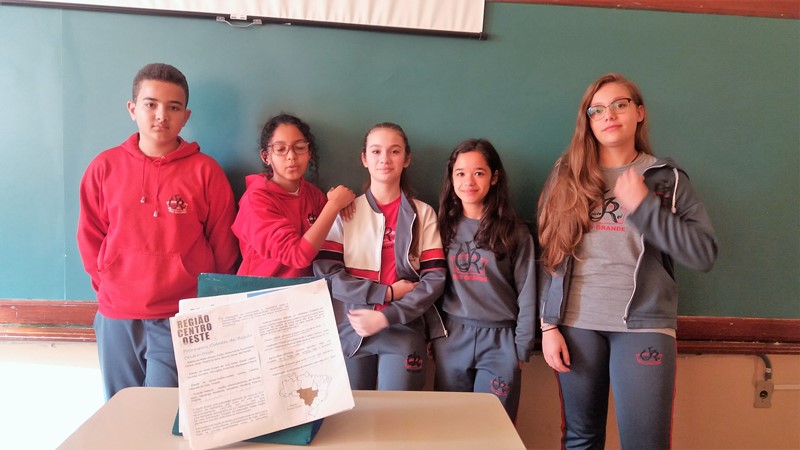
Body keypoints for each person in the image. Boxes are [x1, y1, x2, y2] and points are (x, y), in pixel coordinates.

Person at [537, 73, 718, 449]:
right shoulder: (567, 174)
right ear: (588, 121)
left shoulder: (666, 179)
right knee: (580, 439)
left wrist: (645, 208)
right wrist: (547, 324)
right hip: (576, 325)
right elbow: (550, 253)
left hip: (644, 326)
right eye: (597, 109)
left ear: (639, 112)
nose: (609, 115)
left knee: (645, 443)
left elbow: (702, 253)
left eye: (619, 104)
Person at [77, 63, 239, 400]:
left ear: (186, 116)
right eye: (150, 104)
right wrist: (110, 285)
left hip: (182, 316)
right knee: (121, 409)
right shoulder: (103, 167)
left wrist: (205, 304)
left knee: (167, 412)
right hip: (117, 314)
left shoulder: (206, 172)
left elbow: (224, 247)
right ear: (132, 109)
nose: (161, 116)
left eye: (173, 107)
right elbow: (89, 237)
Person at [313, 122, 447, 391]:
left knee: (399, 415)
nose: (384, 159)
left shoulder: (423, 213)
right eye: (376, 151)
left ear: (406, 159)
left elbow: (434, 280)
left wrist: (388, 315)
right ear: (364, 158)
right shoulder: (345, 211)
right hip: (352, 327)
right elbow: (328, 275)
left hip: (404, 327)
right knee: (353, 415)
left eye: (394, 151)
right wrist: (385, 293)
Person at [433, 139, 536, 421]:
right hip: (452, 336)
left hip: (501, 340)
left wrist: (522, 346)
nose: (468, 181)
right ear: (452, 178)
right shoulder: (441, 228)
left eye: (479, 172)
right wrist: (433, 333)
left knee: (493, 426)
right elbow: (429, 285)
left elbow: (528, 292)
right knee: (450, 425)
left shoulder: (516, 232)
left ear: (494, 177)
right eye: (460, 173)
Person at [232, 114, 355, 277]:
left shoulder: (313, 195)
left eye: (299, 147)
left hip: (308, 288)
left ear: (309, 152)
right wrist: (333, 205)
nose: (291, 156)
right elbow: (297, 256)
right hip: (264, 289)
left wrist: (340, 206)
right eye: (280, 149)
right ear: (266, 156)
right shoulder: (255, 201)